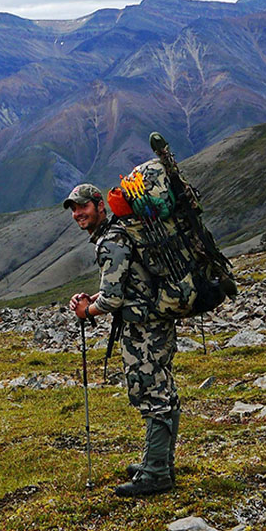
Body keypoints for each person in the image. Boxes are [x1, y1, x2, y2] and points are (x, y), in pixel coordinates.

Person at [63, 183, 180, 497]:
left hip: (144, 329)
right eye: (74, 209)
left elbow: (113, 301)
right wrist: (95, 297)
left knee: (151, 394)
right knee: (164, 389)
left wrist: (88, 310)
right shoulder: (120, 232)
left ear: (100, 205)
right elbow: (128, 284)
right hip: (157, 320)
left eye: (83, 207)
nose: (77, 214)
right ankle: (160, 463)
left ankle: (156, 475)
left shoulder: (111, 240)